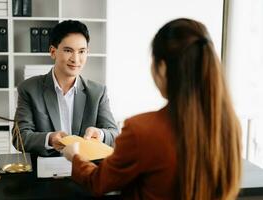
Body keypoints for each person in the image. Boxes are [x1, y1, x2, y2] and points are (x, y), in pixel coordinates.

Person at [63, 18, 242, 200]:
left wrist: (75, 158)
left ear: (162, 68)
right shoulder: (230, 126)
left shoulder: (141, 130)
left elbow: (98, 182)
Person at [13, 20, 118, 157]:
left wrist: (101, 134)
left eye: (81, 51)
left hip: (86, 171)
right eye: (68, 50)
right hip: (45, 171)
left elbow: (114, 134)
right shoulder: (29, 89)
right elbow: (20, 137)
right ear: (53, 52)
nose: (76, 59)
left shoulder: (98, 92)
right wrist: (49, 138)